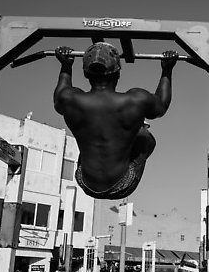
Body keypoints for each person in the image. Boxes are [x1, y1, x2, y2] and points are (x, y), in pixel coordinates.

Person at [53, 42, 178, 200]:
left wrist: (66, 66)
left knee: (93, 132)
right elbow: (161, 106)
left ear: (86, 73)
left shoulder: (69, 99)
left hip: (86, 182)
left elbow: (59, 95)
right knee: (145, 137)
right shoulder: (135, 100)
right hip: (122, 185)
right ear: (118, 73)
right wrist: (167, 70)